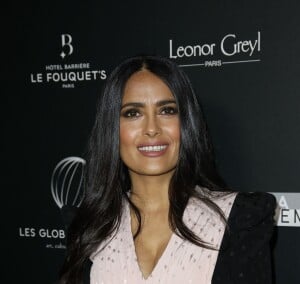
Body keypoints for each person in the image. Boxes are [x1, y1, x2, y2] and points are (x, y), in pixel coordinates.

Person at [59, 55, 276, 284]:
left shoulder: (239, 220)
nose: (152, 128)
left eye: (167, 110)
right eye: (133, 113)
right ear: (112, 127)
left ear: (186, 123)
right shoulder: (89, 226)